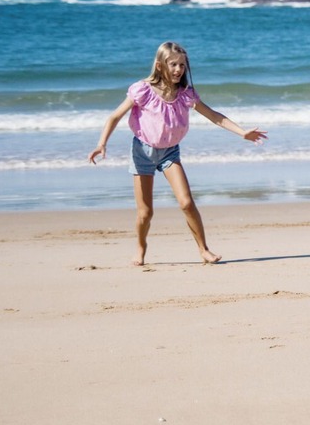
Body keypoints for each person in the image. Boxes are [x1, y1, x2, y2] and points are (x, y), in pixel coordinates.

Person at [88, 41, 267, 265]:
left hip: (170, 153)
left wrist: (242, 132)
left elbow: (214, 115)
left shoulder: (185, 94)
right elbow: (114, 117)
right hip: (142, 152)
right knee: (145, 213)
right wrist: (101, 143)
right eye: (173, 64)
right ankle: (141, 246)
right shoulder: (143, 90)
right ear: (159, 65)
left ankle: (204, 250)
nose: (178, 70)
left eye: (182, 65)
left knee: (186, 203)